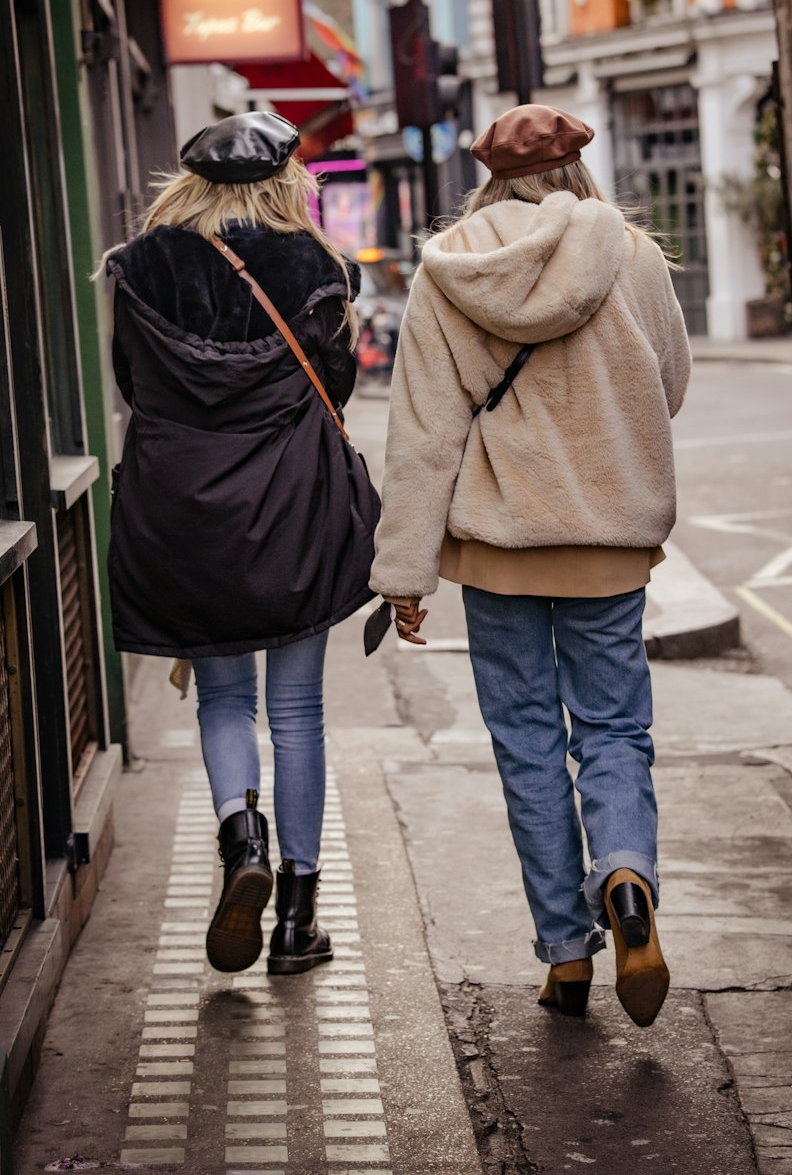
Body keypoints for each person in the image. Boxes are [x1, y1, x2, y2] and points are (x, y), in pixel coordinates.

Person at [370, 104, 691, 1026]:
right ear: (576, 170)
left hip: (499, 552)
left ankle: (566, 955)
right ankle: (627, 878)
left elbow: (424, 433)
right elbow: (666, 387)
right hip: (610, 545)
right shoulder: (631, 256)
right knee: (615, 730)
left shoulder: (450, 271)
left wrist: (405, 575)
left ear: (491, 179)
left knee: (528, 745)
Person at [106, 111, 372, 976]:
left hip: (180, 516)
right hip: (292, 507)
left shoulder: (138, 266)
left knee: (224, 700)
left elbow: (129, 382)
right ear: (285, 179)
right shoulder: (316, 265)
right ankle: (296, 918)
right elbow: (338, 382)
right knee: (298, 717)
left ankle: (239, 839)